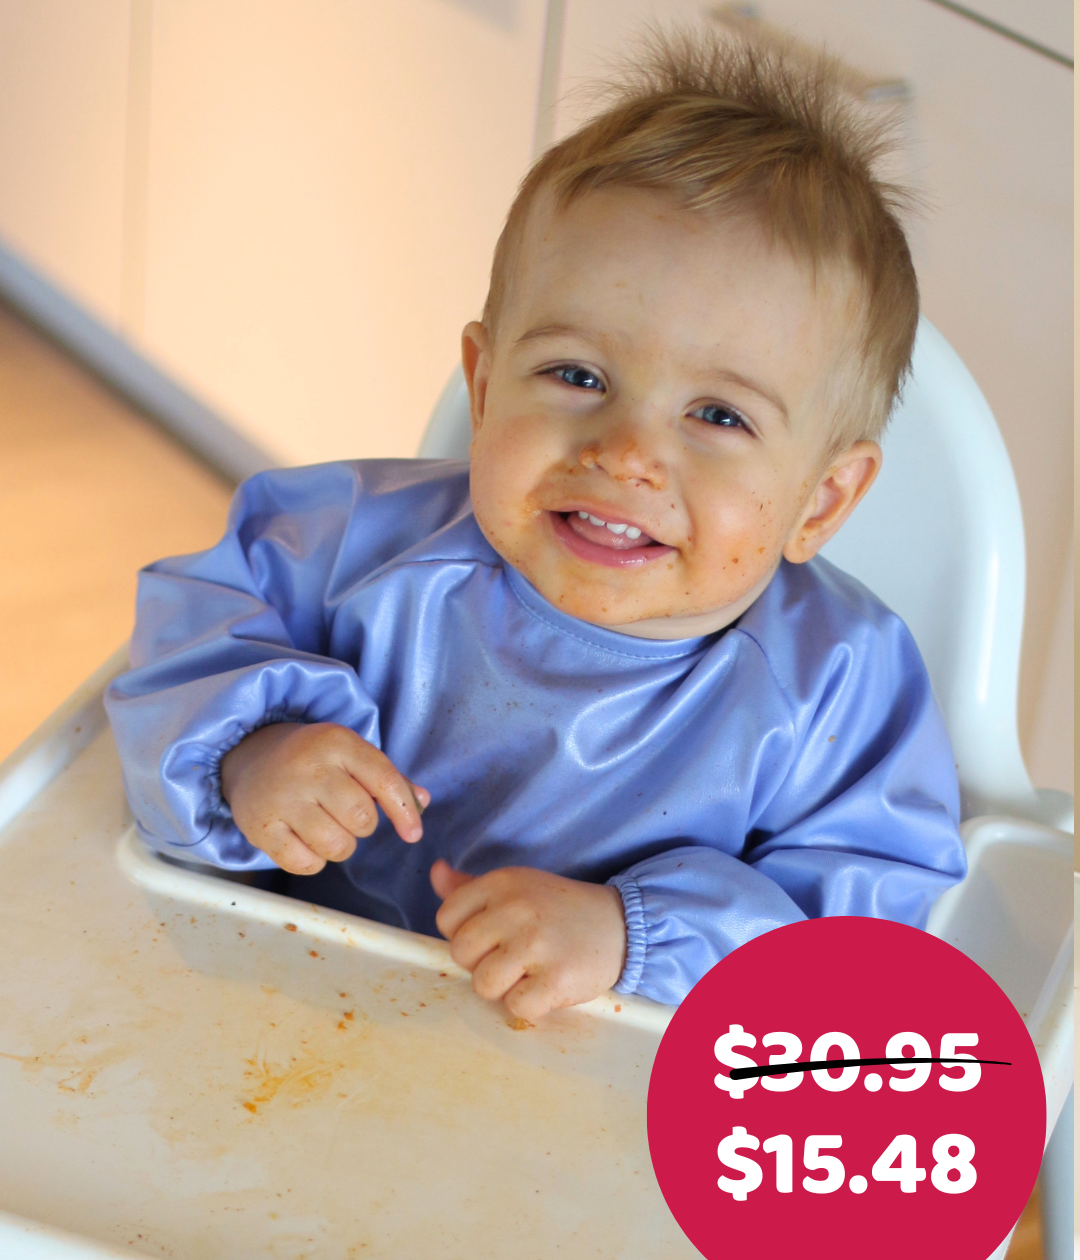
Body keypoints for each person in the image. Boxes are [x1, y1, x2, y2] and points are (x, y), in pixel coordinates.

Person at [106, 32, 966, 1019]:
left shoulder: (838, 690)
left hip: (605, 1126)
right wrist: (242, 751)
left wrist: (635, 938)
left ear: (821, 499)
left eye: (719, 416)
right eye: (579, 376)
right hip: (288, 1025)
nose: (628, 451)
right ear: (484, 385)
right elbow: (180, 638)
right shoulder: (349, 547)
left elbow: (870, 954)